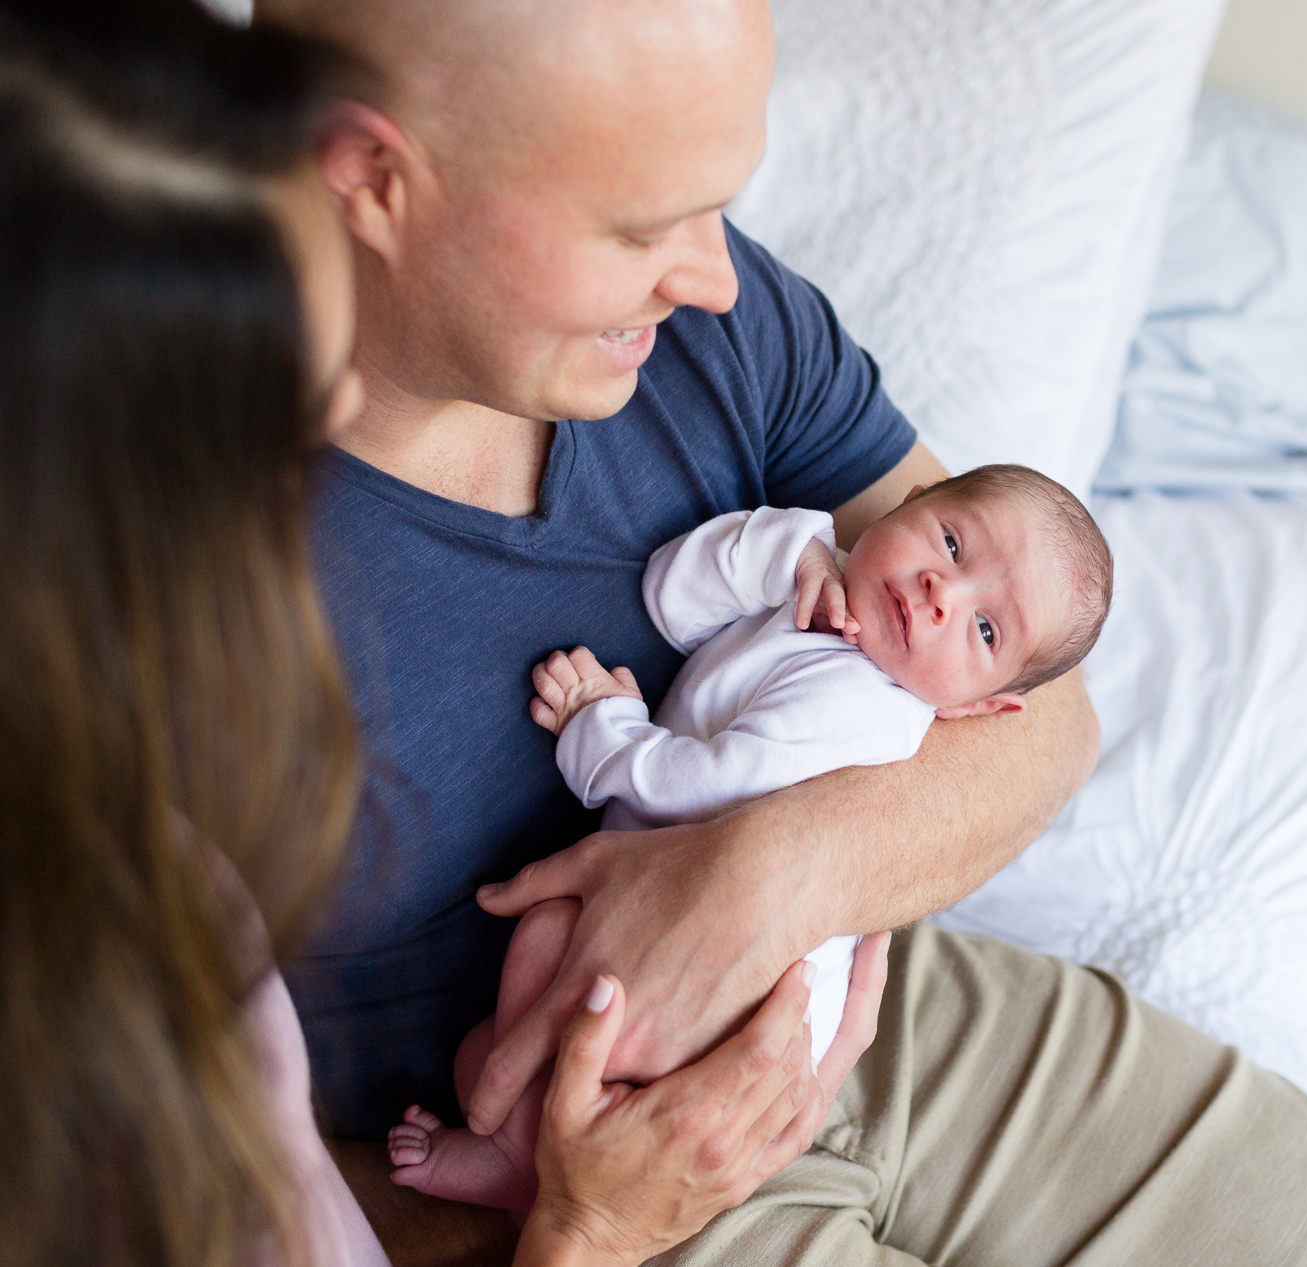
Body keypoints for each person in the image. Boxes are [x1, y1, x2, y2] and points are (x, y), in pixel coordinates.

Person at [259, 0, 1307, 1261]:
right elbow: (172, 1179)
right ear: (374, 178)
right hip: (554, 1168)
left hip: (867, 1005)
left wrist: (766, 881)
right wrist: (585, 1225)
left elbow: (1043, 715)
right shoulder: (154, 582)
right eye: (641, 224)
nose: (713, 272)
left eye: (717, 204)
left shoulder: (715, 320)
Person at [0, 2, 880, 1263]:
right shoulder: (117, 915)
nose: (336, 436)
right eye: (292, 406)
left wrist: (770, 876)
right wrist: (589, 1229)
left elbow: (1039, 664)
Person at [389, 464, 1114, 1212]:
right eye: (953, 542)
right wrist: (793, 552)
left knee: (535, 960)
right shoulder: (817, 588)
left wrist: (597, 727)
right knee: (506, 1028)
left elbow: (702, 788)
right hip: (674, 921)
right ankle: (532, 1138)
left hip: (735, 1003)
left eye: (985, 628)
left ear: (980, 707)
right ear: (908, 502)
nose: (942, 592)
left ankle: (518, 1156)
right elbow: (670, 594)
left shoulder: (861, 704)